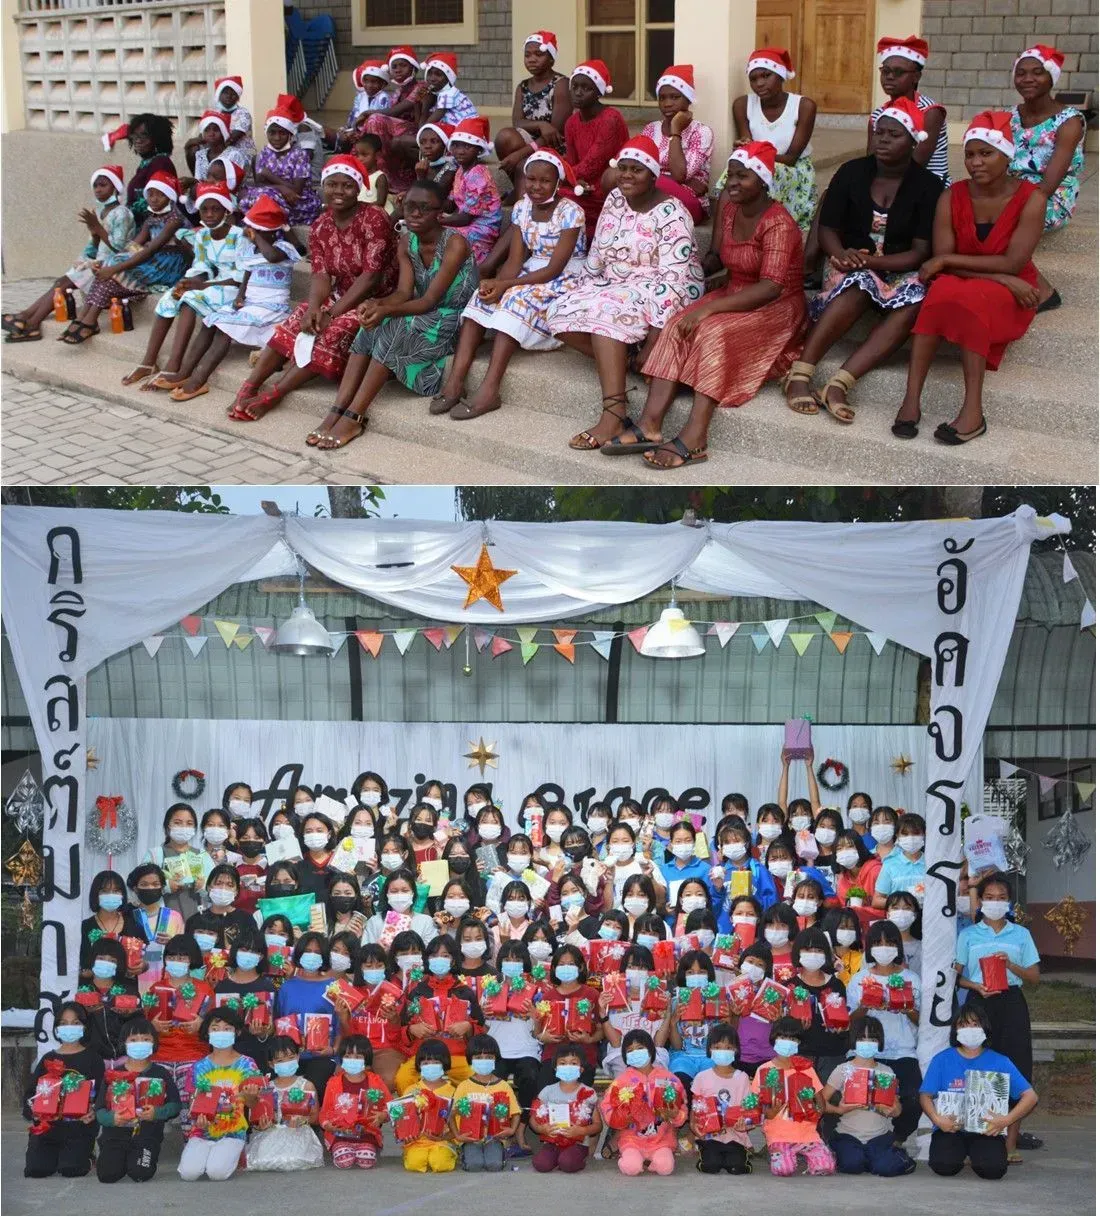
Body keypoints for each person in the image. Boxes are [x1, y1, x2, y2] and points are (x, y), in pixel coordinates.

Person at [623, 141, 805, 468]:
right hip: (736, 289)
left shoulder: (779, 222)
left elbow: (771, 286)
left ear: (763, 182)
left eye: (743, 177)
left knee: (712, 330)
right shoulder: (731, 208)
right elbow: (722, 258)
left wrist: (708, 308)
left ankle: (695, 438)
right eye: (730, 175)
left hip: (775, 306)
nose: (732, 182)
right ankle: (649, 424)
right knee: (678, 320)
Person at [784, 98, 943, 424]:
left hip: (898, 267)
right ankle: (800, 373)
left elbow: (920, 251)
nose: (882, 140)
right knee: (859, 285)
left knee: (916, 302)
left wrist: (873, 263)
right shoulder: (852, 172)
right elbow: (828, 228)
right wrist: (841, 254)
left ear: (913, 140)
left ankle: (840, 383)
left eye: (893, 135)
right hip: (849, 263)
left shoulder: (928, 186)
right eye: (879, 133)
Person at [546, 134, 703, 450]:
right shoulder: (615, 199)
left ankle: (614, 412)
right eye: (624, 169)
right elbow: (597, 256)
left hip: (666, 288)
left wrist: (657, 342)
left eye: (637, 170)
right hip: (617, 284)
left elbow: (673, 283)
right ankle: (630, 362)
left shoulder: (673, 213)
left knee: (605, 316)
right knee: (557, 312)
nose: (628, 176)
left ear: (652, 175)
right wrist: (579, 290)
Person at [898, 110, 1046, 444]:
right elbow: (942, 265)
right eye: (969, 154)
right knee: (940, 293)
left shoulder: (1032, 199)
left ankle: (973, 411)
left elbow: (1012, 262)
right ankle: (911, 400)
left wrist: (954, 262)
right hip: (990, 282)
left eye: (985, 153)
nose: (975, 162)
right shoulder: (953, 196)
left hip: (1013, 294)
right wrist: (1002, 278)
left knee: (971, 297)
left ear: (1006, 156)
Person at [306, 179, 478, 449]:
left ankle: (355, 415)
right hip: (421, 310)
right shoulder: (407, 242)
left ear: (440, 211)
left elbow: (430, 300)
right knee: (370, 324)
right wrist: (377, 304)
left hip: (452, 318)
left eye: (424, 208)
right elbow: (403, 293)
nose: (415, 214)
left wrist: (386, 309)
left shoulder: (454, 244)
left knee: (393, 325)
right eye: (409, 207)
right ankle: (338, 408)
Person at [231, 154, 397, 419]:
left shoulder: (374, 218)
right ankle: (248, 387)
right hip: (343, 293)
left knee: (332, 328)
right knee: (300, 317)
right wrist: (316, 307)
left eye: (347, 185)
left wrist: (332, 312)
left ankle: (274, 394)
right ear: (323, 186)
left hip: (380, 298)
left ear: (358, 189)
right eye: (332, 184)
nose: (339, 191)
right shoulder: (320, 226)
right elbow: (320, 275)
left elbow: (371, 277)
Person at [954, 870, 1041, 1161]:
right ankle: (978, 1140)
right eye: (989, 898)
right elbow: (955, 977)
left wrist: (1010, 966)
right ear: (980, 903)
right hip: (979, 1004)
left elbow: (1034, 977)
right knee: (978, 1069)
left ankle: (1010, 1145)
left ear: (1009, 902)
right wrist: (974, 984)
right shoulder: (968, 934)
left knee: (1015, 1068)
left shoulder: (1021, 935)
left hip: (1012, 1004)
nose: (994, 902)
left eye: (1001, 898)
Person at [56, 172, 189, 354]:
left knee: (115, 272)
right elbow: (134, 246)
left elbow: (150, 249)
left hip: (168, 265)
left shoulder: (174, 220)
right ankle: (84, 317)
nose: (154, 199)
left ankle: (89, 319)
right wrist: (109, 263)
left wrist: (115, 268)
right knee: (110, 265)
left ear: (170, 196)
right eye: (151, 194)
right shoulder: (151, 218)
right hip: (152, 258)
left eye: (160, 194)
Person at [4, 167, 137, 344]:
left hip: (116, 265)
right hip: (100, 261)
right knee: (61, 281)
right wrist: (94, 236)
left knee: (65, 282)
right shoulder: (99, 212)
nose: (98, 189)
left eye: (103, 185)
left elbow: (119, 248)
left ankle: (31, 322)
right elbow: (97, 247)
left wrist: (98, 228)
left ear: (115, 187)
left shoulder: (122, 213)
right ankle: (27, 316)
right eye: (95, 185)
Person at [135, 182, 244, 391]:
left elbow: (241, 277)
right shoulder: (202, 235)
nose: (210, 214)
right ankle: (148, 361)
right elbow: (202, 265)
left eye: (215, 209)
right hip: (210, 284)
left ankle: (174, 364)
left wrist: (201, 285)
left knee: (190, 299)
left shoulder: (239, 236)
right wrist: (188, 281)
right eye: (205, 209)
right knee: (172, 296)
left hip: (231, 288)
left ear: (226, 210)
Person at [919, 1003, 1038, 1180]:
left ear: (985, 1028)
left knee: (993, 1170)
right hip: (951, 1129)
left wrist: (1005, 1120)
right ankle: (962, 1153)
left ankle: (976, 1154)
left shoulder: (1000, 1061)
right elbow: (925, 1095)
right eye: (963, 1025)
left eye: (975, 1024)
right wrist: (937, 1120)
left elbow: (1031, 1096)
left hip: (987, 1130)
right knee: (943, 1166)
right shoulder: (942, 1059)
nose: (970, 1029)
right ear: (955, 1030)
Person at [1009, 45, 1084, 310]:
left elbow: (1049, 183)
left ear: (1052, 77)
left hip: (1051, 196)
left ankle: (1042, 290)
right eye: (1021, 73)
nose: (1028, 79)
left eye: (1037, 73)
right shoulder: (1011, 116)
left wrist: (1009, 205)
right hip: (1012, 190)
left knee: (997, 219)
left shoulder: (1069, 120)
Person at [845, 920, 921, 1146]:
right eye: (877, 942)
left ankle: (897, 1139)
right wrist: (866, 1005)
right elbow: (849, 1019)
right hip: (866, 1050)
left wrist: (905, 1007)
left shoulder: (912, 979)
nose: (884, 947)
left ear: (898, 946)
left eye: (889, 942)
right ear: (869, 947)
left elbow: (921, 1019)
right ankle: (860, 1138)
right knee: (858, 1096)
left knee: (913, 1097)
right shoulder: (860, 979)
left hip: (903, 1051)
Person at [727, 48, 817, 232]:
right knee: (733, 174)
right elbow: (747, 147)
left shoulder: (804, 106)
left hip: (793, 170)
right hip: (754, 166)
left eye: (766, 76)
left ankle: (763, 225)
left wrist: (753, 152)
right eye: (753, 78)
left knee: (764, 174)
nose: (759, 83)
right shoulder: (743, 105)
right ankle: (731, 225)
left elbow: (791, 158)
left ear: (781, 76)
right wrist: (743, 148)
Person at [821, 1015, 912, 1175]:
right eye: (862, 1038)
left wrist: (893, 1110)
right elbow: (820, 1102)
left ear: (880, 1042)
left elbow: (897, 1109)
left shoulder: (886, 1071)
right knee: (852, 1165)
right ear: (853, 1040)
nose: (867, 1043)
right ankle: (866, 1157)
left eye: (873, 1039)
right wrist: (839, 1110)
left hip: (879, 1136)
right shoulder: (843, 1069)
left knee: (884, 1168)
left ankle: (897, 1156)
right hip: (847, 1135)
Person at [94, 1016, 182, 1182]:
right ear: (124, 1043)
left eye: (146, 1039)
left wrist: (157, 1113)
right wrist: (112, 1118)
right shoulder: (113, 1074)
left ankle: (137, 1157)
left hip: (147, 1135)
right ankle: (115, 1155)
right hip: (115, 1134)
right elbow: (99, 1110)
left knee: (140, 1173)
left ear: (154, 1043)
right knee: (107, 1175)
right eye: (133, 1039)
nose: (139, 1043)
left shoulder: (160, 1073)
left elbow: (175, 1105)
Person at [177, 1008, 260, 1181]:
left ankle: (236, 1152)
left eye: (227, 1028)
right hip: (202, 1132)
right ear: (207, 1032)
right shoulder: (198, 1067)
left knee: (217, 1173)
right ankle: (210, 1152)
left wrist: (250, 1096)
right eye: (215, 1028)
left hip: (233, 1131)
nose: (221, 1032)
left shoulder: (247, 1065)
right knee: (188, 1174)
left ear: (236, 1032)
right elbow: (192, 1102)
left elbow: (254, 1105)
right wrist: (198, 1118)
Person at [22, 1003, 104, 1179]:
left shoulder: (93, 1059)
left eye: (75, 1023)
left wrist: (94, 1111)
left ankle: (89, 1157)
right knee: (36, 1170)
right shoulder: (48, 1058)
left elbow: (104, 1094)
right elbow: (30, 1095)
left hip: (79, 1127)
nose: (70, 1028)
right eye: (64, 1023)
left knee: (71, 1169)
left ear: (84, 1026)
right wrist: (34, 1112)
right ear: (57, 1028)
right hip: (49, 1127)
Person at [750, 1017, 835, 1176]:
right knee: (784, 1169)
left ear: (799, 1042)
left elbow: (820, 1102)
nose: (787, 1042)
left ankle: (803, 1154)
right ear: (774, 1039)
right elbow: (760, 1109)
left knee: (826, 1167)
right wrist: (771, 1112)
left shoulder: (806, 1068)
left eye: (793, 1038)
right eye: (783, 1037)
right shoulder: (764, 1070)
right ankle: (778, 1153)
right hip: (779, 1134)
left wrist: (816, 1112)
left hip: (807, 1133)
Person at [629, 65, 714, 223]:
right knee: (617, 176)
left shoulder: (702, 132)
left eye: (674, 97)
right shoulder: (650, 129)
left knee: (647, 181)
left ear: (688, 99)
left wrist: (676, 131)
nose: (667, 103)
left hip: (689, 202)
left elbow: (679, 174)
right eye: (662, 98)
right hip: (649, 193)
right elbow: (637, 166)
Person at [600, 1029, 687, 1176]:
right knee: (631, 1168)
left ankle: (652, 1160)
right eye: (630, 1050)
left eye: (640, 1048)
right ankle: (630, 1156)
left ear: (651, 1050)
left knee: (665, 1168)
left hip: (661, 1140)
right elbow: (607, 1107)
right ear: (625, 1056)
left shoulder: (669, 1078)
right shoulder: (622, 1081)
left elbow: (682, 1106)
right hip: (632, 1139)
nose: (636, 1052)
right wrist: (620, 1118)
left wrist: (676, 1115)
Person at [494, 32, 571, 197]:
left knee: (521, 162)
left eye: (539, 54)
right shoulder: (522, 86)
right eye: (527, 55)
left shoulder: (561, 84)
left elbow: (554, 133)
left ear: (551, 58)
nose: (532, 59)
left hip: (555, 145)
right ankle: (519, 185)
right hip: (530, 142)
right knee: (504, 136)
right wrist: (541, 124)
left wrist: (519, 154)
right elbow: (517, 122)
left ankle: (522, 192)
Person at [562, 60, 629, 239]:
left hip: (608, 184)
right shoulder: (571, 123)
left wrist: (561, 177)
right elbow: (572, 160)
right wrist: (574, 180)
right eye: (574, 86)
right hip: (582, 183)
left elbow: (592, 165)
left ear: (599, 92)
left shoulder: (610, 119)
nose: (578, 92)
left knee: (553, 192)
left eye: (586, 88)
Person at [869, 37, 949, 182]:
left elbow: (917, 163)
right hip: (886, 184)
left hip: (927, 184)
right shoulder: (878, 114)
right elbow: (870, 159)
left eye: (899, 72)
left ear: (916, 77)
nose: (890, 77)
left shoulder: (930, 111)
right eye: (885, 71)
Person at [238, 95, 322, 227]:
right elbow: (260, 184)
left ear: (290, 134)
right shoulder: (265, 152)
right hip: (275, 195)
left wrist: (269, 176)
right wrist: (281, 187)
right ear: (267, 133)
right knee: (246, 193)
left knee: (266, 198)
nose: (277, 137)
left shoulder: (300, 155)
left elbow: (296, 191)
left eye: (282, 133)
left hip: (298, 202)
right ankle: (261, 225)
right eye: (272, 133)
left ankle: (259, 225)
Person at [244, 1034, 324, 1171]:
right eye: (280, 1060)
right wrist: (262, 1124)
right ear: (271, 1064)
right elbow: (257, 1116)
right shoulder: (266, 1087)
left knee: (294, 1159)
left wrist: (302, 1120)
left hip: (298, 1131)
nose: (286, 1062)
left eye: (291, 1058)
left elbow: (316, 1117)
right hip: (272, 1132)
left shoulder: (306, 1085)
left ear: (298, 1057)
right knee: (263, 1160)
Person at [360, 45, 432, 197]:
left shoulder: (421, 87)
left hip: (418, 130)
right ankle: (378, 172)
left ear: (413, 67)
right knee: (373, 123)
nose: (398, 70)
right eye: (394, 66)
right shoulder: (398, 92)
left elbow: (395, 112)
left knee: (376, 119)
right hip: (401, 130)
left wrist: (369, 113)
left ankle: (382, 173)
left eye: (403, 65)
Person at [273, 932, 337, 1096]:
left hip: (321, 1058)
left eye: (317, 952)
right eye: (308, 950)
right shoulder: (287, 987)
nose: (312, 955)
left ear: (324, 957)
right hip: (289, 1059)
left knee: (311, 1093)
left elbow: (342, 1025)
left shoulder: (333, 987)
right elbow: (279, 1021)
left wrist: (333, 1050)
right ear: (299, 953)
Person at [449, 1034, 522, 1171]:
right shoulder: (464, 1086)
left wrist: (511, 1130)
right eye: (478, 1058)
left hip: (494, 1138)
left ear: (495, 1059)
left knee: (494, 1166)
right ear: (470, 1060)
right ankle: (464, 1152)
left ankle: (500, 1153)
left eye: (489, 1057)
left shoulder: (503, 1086)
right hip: (470, 1138)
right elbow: (451, 1113)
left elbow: (516, 1112)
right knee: (474, 1166)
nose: (484, 1061)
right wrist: (458, 1135)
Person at [319, 1035, 391, 1168]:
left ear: (366, 1059)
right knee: (344, 1160)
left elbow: (389, 1106)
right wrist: (328, 1125)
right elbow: (324, 1112)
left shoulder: (375, 1081)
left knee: (366, 1161)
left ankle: (366, 1147)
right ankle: (342, 1148)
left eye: (358, 1057)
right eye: (348, 1056)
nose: (353, 1060)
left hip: (367, 1133)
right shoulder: (333, 1083)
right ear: (342, 1058)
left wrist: (382, 1116)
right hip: (340, 1134)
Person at [690, 1022, 753, 1174]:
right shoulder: (701, 1077)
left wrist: (746, 1124)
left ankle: (741, 1155)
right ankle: (707, 1155)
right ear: (710, 1049)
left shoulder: (742, 1078)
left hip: (735, 1137)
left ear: (736, 1050)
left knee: (737, 1168)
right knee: (711, 1166)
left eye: (728, 1047)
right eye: (717, 1047)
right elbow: (695, 1109)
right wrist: (693, 1126)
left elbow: (749, 1112)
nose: (722, 1051)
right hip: (710, 1137)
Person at [530, 1042, 602, 1172]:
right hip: (552, 1142)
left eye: (573, 1063)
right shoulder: (547, 1091)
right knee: (541, 1164)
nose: (568, 1066)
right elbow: (533, 1117)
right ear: (555, 1068)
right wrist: (542, 1128)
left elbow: (598, 1125)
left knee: (567, 1164)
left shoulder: (588, 1093)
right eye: (563, 1063)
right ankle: (557, 1157)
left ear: (581, 1069)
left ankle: (576, 1160)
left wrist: (581, 1131)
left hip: (577, 1143)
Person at [443, 116, 503, 265]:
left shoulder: (478, 174)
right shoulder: (460, 171)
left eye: (467, 146)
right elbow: (450, 204)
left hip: (483, 227)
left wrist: (436, 220)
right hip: (467, 221)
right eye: (456, 146)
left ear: (478, 150)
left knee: (443, 237)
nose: (460, 151)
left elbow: (465, 218)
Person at [399, 1039, 458, 1172]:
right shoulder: (411, 1090)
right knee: (415, 1163)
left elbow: (458, 1125)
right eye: (426, 1063)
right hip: (417, 1142)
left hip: (442, 1141)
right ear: (419, 1066)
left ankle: (452, 1153)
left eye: (436, 1062)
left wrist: (444, 1137)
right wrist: (407, 1136)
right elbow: (403, 1121)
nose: (431, 1066)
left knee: (439, 1163)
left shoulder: (453, 1092)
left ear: (444, 1064)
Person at [872, 811, 926, 906]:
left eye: (916, 833)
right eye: (905, 834)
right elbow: (876, 900)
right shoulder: (890, 864)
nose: (911, 838)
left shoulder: (932, 864)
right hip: (898, 917)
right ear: (897, 836)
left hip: (929, 918)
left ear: (924, 834)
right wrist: (900, 903)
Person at [421, 53, 478, 126]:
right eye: (429, 74)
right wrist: (418, 100)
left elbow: (426, 126)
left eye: (438, 74)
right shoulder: (436, 94)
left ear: (448, 78)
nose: (432, 79)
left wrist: (425, 106)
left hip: (466, 133)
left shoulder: (448, 94)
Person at [354, 134, 391, 211]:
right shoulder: (357, 177)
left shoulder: (380, 177)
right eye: (357, 155)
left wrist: (360, 207)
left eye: (364, 155)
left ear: (377, 155)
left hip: (377, 215)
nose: (359, 159)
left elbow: (380, 202)